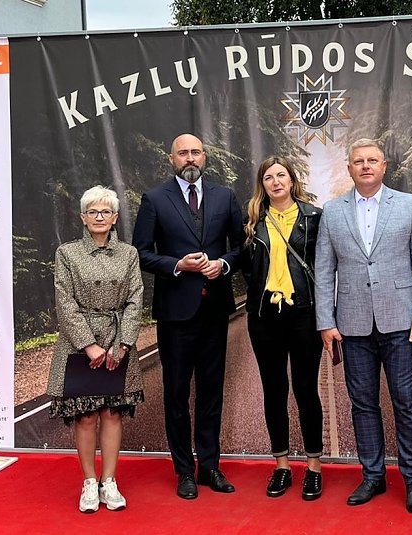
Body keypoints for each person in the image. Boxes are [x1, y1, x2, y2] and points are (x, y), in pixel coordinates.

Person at [315, 138, 412, 513]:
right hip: (352, 326)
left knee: (406, 402)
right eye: (358, 161)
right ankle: (373, 476)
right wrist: (325, 321)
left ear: (384, 166)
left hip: (400, 322)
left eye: (372, 160)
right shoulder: (332, 211)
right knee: (362, 404)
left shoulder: (408, 205)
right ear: (349, 168)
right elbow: (323, 270)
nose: (366, 166)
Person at [132, 134, 244, 500]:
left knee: (212, 392)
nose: (190, 158)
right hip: (176, 314)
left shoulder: (225, 196)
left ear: (204, 156)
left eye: (195, 152)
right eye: (183, 152)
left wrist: (224, 263)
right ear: (172, 158)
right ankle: (184, 471)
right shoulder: (154, 199)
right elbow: (140, 253)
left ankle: (210, 466)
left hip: (214, 310)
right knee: (177, 395)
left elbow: (243, 246)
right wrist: (175, 264)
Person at [47, 185, 145, 513]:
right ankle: (90, 482)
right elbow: (64, 299)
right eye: (93, 211)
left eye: (105, 211)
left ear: (115, 217)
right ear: (83, 218)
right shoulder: (67, 253)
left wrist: (123, 344)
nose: (99, 217)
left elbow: (135, 299)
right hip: (79, 345)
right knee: (86, 415)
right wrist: (88, 345)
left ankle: (110, 482)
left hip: (118, 341)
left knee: (112, 413)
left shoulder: (128, 254)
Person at [242, 156, 324, 500]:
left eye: (282, 176)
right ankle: (282, 466)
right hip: (264, 317)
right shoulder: (253, 223)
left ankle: (314, 468)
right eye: (269, 178)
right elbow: (245, 266)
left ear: (292, 181)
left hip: (304, 314)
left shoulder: (314, 218)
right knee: (274, 389)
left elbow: (326, 264)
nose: (276, 182)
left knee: (306, 389)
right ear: (263, 185)